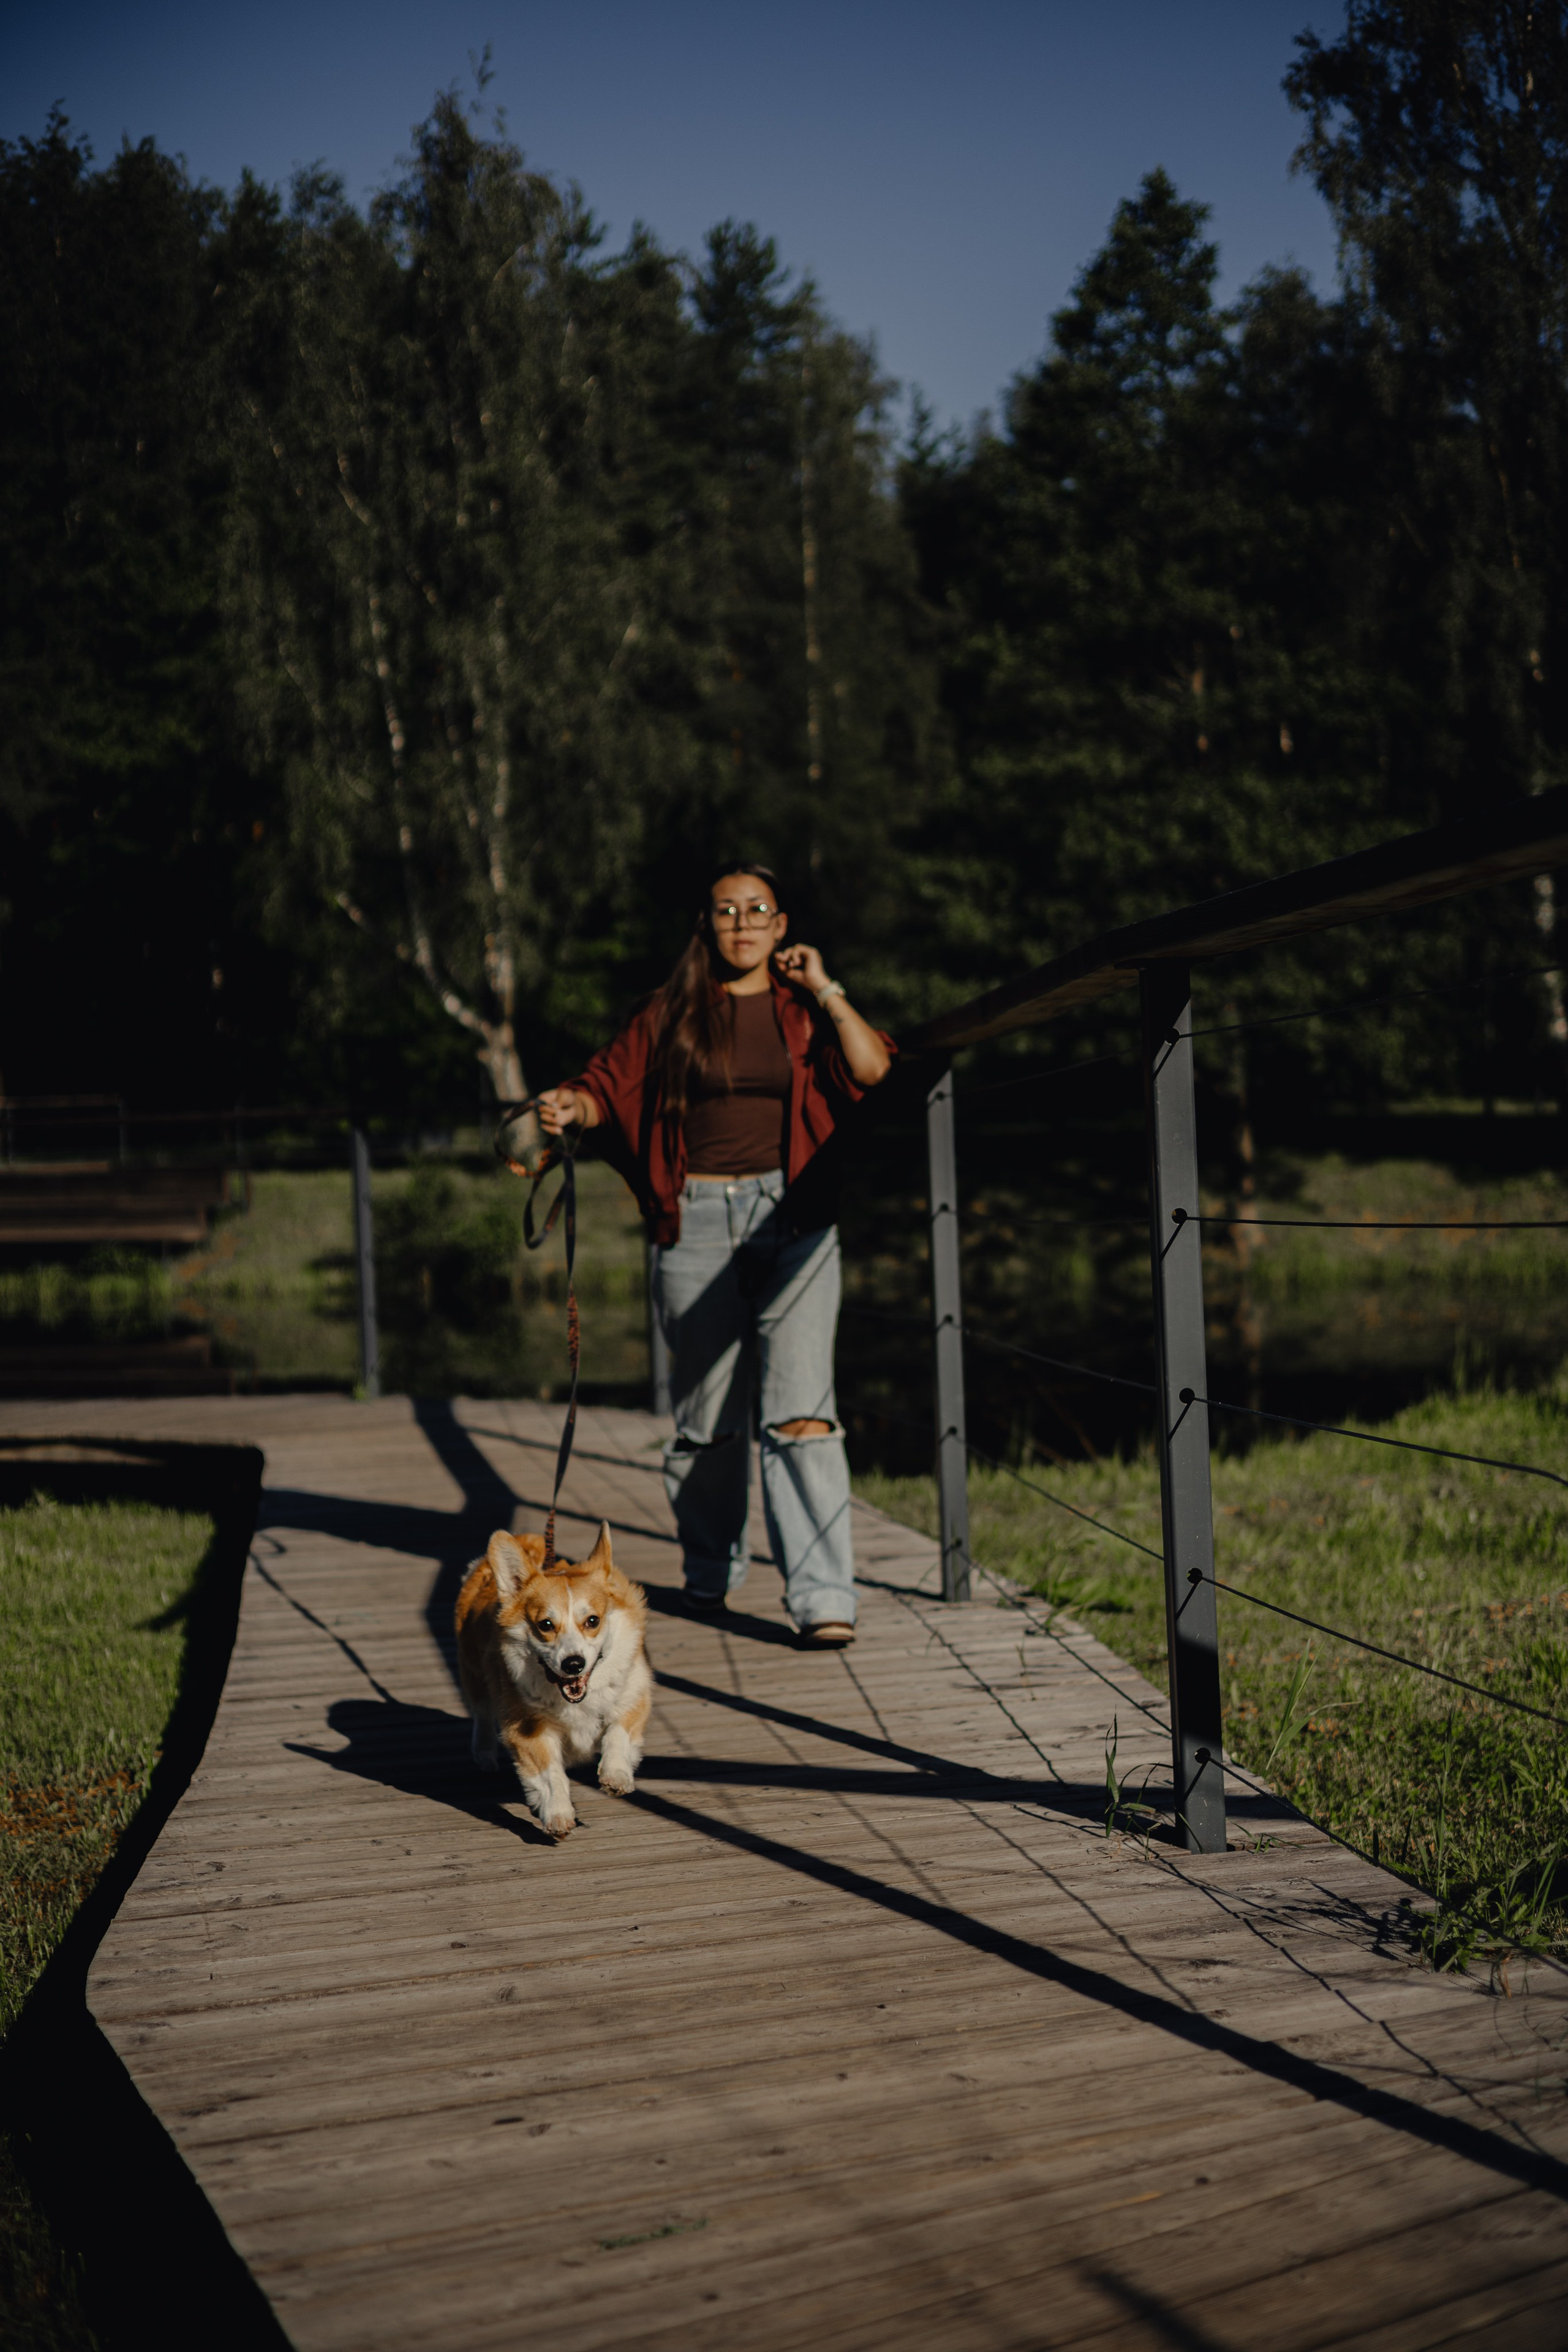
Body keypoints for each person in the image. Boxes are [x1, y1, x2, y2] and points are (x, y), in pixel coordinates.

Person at [538, 864, 893, 1645]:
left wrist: (826, 984)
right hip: (693, 1221)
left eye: (757, 909)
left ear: (780, 924)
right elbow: (608, 1087)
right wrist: (573, 1106)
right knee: (705, 1422)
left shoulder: (804, 1011)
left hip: (792, 1217)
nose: (742, 922)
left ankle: (824, 1597)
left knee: (803, 1416)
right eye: (726, 911)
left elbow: (871, 1069)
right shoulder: (669, 1015)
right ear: (708, 926)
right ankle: (711, 1565)